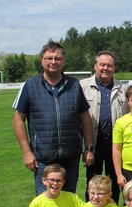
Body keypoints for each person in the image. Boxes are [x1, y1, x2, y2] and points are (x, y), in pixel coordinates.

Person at [13, 40, 94, 195]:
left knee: (69, 199)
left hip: (71, 156)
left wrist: (89, 148)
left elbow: (85, 117)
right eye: (49, 58)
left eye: (57, 58)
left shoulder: (74, 85)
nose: (53, 62)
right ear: (42, 60)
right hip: (43, 157)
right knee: (46, 200)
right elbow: (18, 119)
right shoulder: (30, 85)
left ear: (63, 61)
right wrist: (26, 152)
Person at [81, 51, 129, 203]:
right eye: (102, 64)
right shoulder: (82, 87)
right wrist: (85, 147)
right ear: (95, 66)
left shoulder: (124, 89)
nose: (106, 68)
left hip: (116, 144)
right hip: (93, 143)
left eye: (110, 65)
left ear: (114, 68)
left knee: (115, 181)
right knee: (92, 182)